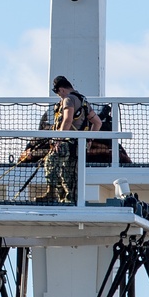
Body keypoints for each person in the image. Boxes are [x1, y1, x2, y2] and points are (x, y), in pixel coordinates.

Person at [43, 75, 88, 203]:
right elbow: (97, 122)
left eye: (58, 93)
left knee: (50, 163)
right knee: (69, 174)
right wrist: (88, 140)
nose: (59, 96)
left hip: (67, 143)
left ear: (61, 89)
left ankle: (52, 194)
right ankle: (67, 198)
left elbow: (67, 120)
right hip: (78, 145)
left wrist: (59, 140)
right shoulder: (83, 100)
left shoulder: (68, 99)